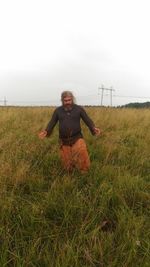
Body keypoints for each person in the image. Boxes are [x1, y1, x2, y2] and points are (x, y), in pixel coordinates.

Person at [39, 91, 101, 172]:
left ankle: (84, 173)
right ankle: (70, 175)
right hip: (64, 140)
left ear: (72, 99)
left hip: (77, 137)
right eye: (65, 100)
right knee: (67, 163)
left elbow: (87, 119)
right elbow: (52, 122)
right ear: (62, 100)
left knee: (82, 154)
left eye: (69, 100)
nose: (68, 102)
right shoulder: (58, 111)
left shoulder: (79, 109)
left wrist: (93, 128)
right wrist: (46, 131)